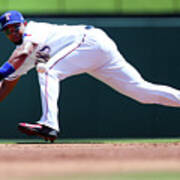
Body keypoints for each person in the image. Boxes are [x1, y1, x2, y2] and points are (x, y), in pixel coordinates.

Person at [0, 10, 180, 142]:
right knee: (141, 93)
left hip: (89, 41)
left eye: (15, 27)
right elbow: (8, 82)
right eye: (8, 31)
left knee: (47, 70)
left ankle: (49, 124)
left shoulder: (33, 29)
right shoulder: (19, 54)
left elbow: (22, 54)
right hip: (94, 53)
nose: (13, 32)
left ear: (24, 24)